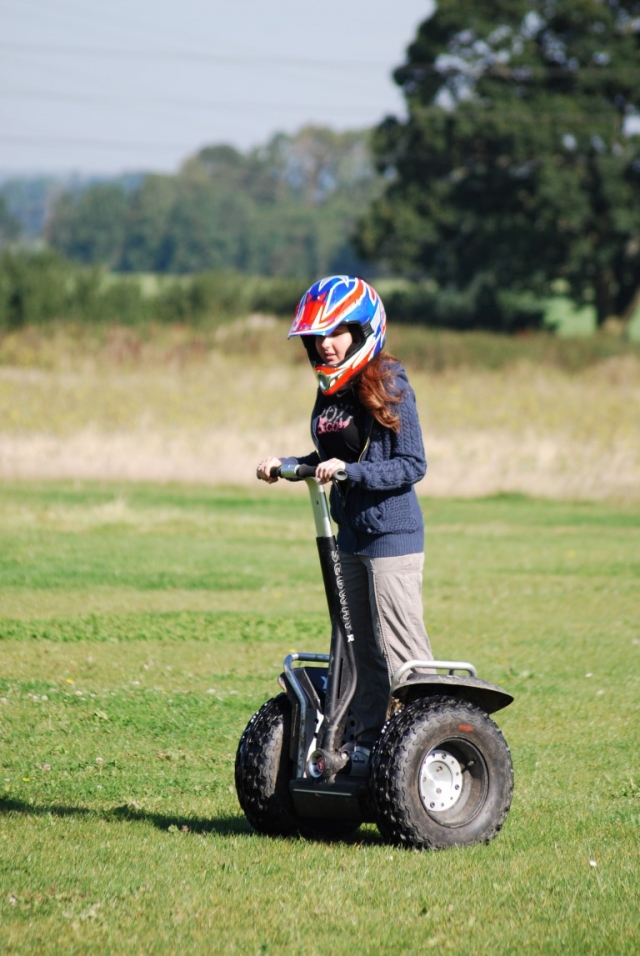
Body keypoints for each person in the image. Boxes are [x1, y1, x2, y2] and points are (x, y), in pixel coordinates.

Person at [256, 275, 433, 749]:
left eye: (335, 333)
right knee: (358, 652)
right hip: (350, 537)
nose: (325, 346)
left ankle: (425, 748)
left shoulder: (389, 382)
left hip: (390, 536)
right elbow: (334, 454)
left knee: (402, 654)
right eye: (317, 337)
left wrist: (353, 473)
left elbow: (411, 464)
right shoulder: (329, 390)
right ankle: (368, 750)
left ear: (360, 331)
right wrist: (292, 465)